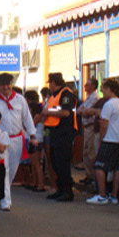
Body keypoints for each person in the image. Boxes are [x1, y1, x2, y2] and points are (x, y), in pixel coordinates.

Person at [0, 73, 37, 210]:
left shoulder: (20, 100)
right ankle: (5, 200)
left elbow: (27, 118)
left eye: (8, 84)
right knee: (4, 170)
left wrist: (32, 136)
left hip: (17, 139)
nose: (6, 87)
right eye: (3, 85)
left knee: (12, 170)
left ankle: (1, 193)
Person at [86, 79, 119, 205]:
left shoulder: (109, 104)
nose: (102, 90)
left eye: (104, 88)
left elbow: (104, 124)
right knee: (117, 168)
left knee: (99, 166)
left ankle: (102, 194)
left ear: (110, 89)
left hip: (109, 139)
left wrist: (101, 140)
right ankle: (114, 195)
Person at [42, 72, 78, 202]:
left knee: (62, 162)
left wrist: (48, 112)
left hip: (64, 132)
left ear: (54, 83)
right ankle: (60, 189)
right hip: (54, 131)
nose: (49, 86)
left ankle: (67, 191)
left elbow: (65, 112)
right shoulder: (53, 96)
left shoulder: (66, 94)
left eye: (50, 83)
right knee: (55, 161)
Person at [76, 78, 100, 185]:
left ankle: (92, 176)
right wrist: (83, 111)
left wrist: (83, 111)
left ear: (93, 86)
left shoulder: (95, 98)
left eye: (87, 85)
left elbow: (87, 112)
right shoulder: (88, 98)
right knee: (85, 151)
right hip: (85, 127)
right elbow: (79, 110)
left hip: (91, 126)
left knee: (91, 152)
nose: (85, 87)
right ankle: (88, 174)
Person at [28, 102, 45, 192]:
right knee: (33, 164)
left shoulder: (37, 116)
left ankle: (41, 184)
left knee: (37, 164)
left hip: (37, 140)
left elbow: (31, 126)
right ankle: (35, 182)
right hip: (34, 139)